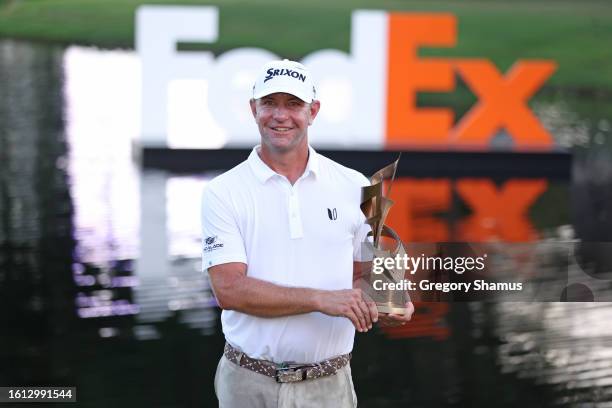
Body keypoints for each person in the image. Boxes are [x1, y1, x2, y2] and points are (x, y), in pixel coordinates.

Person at [201, 59, 414, 408]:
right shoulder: (222, 191)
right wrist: (322, 299)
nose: (280, 115)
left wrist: (390, 298)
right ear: (253, 109)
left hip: (329, 386)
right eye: (269, 103)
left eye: (293, 104)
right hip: (248, 384)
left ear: (313, 111)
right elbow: (228, 290)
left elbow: (367, 272)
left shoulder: (359, 186)